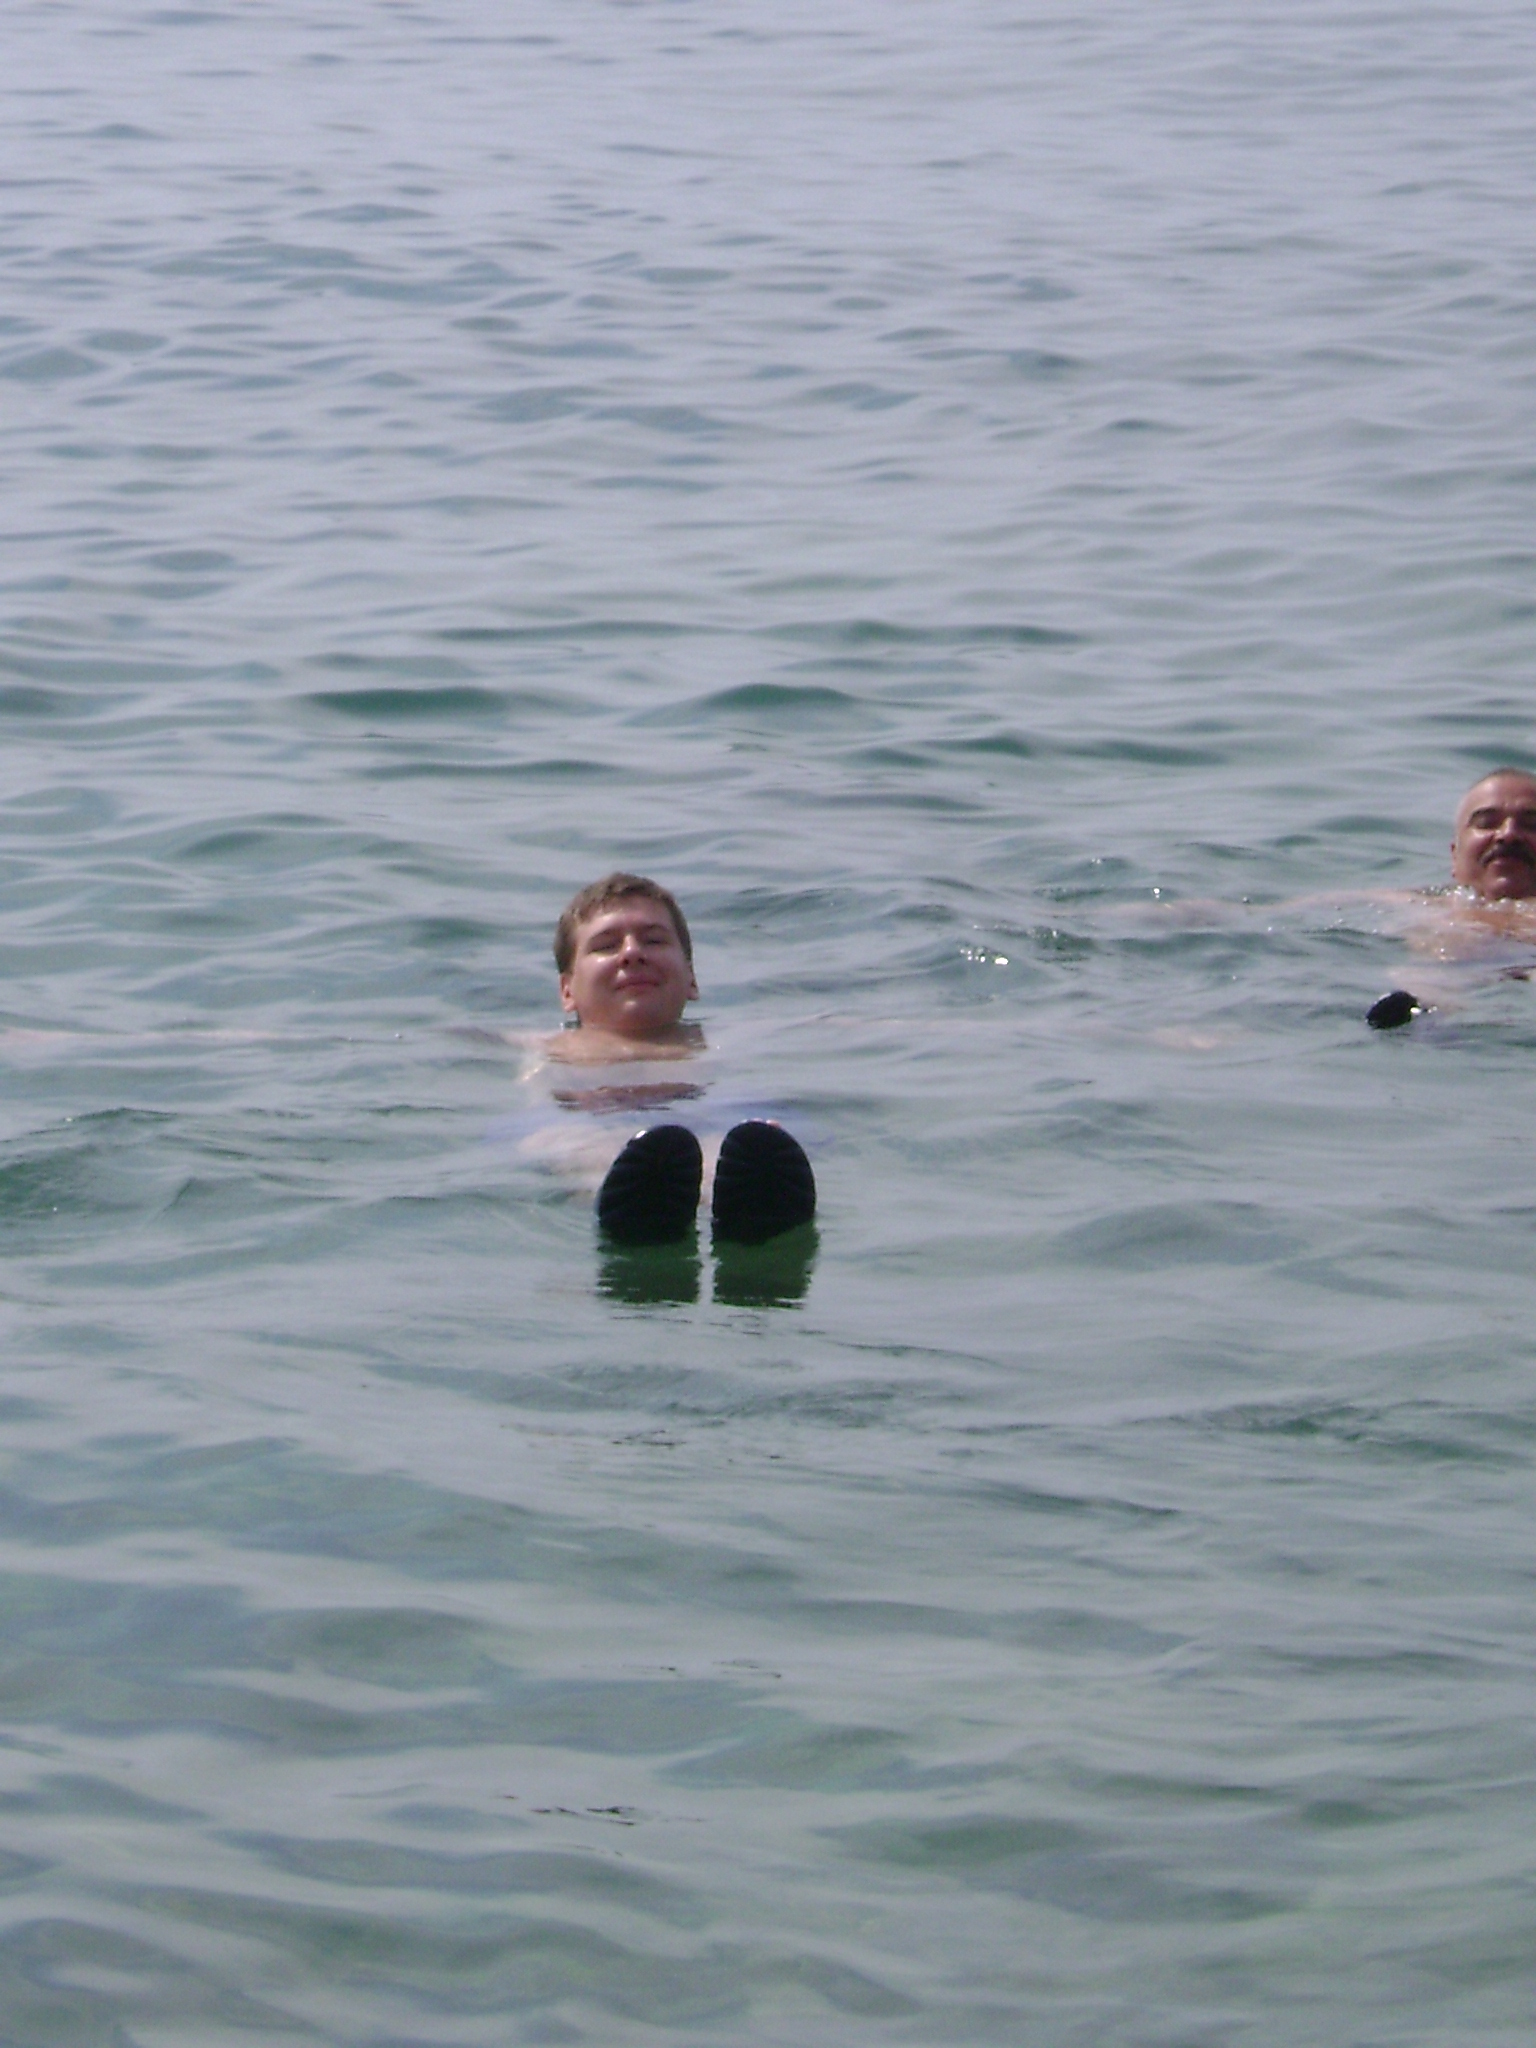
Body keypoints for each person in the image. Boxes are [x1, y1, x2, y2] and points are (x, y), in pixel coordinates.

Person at [543, 873, 816, 1248]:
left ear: (691, 978)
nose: (631, 952)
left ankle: (753, 1204)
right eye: (606, 946)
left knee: (747, 1137)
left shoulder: (725, 1036)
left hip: (710, 1119)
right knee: (570, 1142)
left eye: (654, 940)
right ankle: (637, 1207)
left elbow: (829, 1026)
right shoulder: (544, 1045)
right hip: (593, 1122)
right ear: (567, 990)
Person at [1368, 767, 1536, 1026]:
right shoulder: (1411, 903)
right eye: (1486, 823)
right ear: (1455, 855)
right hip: (1434, 1000)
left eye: (1531, 825)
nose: (1508, 834)